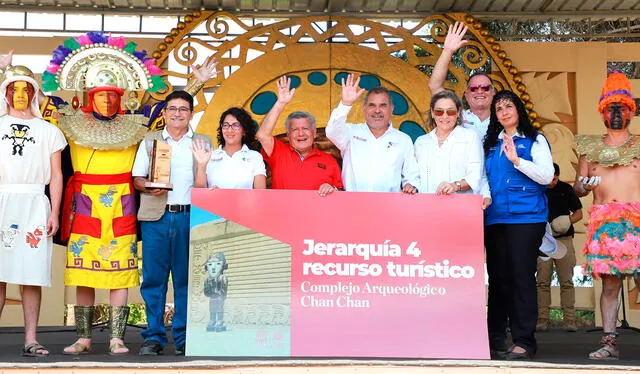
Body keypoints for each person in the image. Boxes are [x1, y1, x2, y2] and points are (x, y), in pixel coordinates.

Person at [0, 37, 216, 355]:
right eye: (100, 96)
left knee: (122, 272)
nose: (106, 102)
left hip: (122, 204)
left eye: (112, 97)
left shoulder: (136, 123)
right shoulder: (69, 121)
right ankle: (84, 338)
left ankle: (116, 338)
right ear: (90, 97)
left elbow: (168, 111)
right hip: (84, 203)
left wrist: (196, 83)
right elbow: (36, 98)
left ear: (120, 98)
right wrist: (11, 72)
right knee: (82, 271)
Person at [132, 91, 212, 356]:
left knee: (186, 280)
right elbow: (137, 179)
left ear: (191, 113)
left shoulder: (202, 142)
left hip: (190, 216)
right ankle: (153, 337)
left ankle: (184, 337)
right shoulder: (150, 140)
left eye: (184, 109)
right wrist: (149, 187)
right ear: (165, 113)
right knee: (153, 279)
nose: (178, 113)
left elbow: (209, 183)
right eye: (173, 108)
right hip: (156, 216)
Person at [0, 67, 66, 357]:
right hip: (2, 201)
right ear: (6, 94)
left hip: (35, 203)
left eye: (26, 89)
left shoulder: (49, 130)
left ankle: (31, 339)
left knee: (32, 274)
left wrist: (55, 213)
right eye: (14, 89)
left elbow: (56, 174)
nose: (20, 95)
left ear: (34, 94)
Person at [574, 71, 640, 360]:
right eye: (611, 108)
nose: (616, 114)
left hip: (637, 223)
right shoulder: (589, 149)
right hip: (604, 225)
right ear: (602, 112)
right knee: (610, 286)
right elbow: (578, 188)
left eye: (621, 108)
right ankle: (609, 343)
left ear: (631, 112)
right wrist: (582, 185)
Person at [483, 90, 554, 360]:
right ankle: (495, 338)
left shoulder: (535, 139)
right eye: (498, 108)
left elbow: (547, 176)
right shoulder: (490, 143)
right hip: (495, 217)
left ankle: (524, 340)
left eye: (508, 106)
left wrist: (517, 161)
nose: (503, 111)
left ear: (518, 109)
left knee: (521, 277)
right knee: (499, 279)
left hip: (526, 218)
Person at [326, 73, 419, 193]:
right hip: (351, 203)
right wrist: (345, 104)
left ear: (391, 109)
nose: (377, 110)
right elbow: (331, 131)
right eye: (372, 105)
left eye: (383, 105)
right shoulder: (350, 132)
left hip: (389, 206)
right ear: (364, 108)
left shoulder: (403, 139)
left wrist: (411, 186)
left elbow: (412, 175)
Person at [256, 76, 343, 196]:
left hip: (317, 214)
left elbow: (340, 193)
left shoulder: (329, 161)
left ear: (314, 132)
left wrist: (332, 188)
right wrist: (280, 103)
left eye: (305, 129)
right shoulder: (279, 153)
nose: (301, 133)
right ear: (288, 134)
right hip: (282, 214)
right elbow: (262, 135)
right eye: (295, 130)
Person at [429, 22, 495, 141]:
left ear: (493, 92)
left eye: (485, 88)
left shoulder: (504, 118)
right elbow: (435, 86)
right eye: (474, 88)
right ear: (466, 94)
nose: (479, 91)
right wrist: (447, 51)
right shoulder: (456, 117)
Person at [536, 163, 583, 333]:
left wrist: (567, 221)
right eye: (550, 179)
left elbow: (579, 213)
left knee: (567, 281)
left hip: (564, 239)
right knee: (542, 282)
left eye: (555, 179)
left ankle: (570, 320)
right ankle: (542, 319)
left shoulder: (565, 188)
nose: (553, 182)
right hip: (543, 241)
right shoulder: (536, 188)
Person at [414, 89, 483, 195]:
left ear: (458, 113)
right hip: (426, 206)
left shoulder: (470, 137)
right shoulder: (421, 142)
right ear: (432, 113)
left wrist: (455, 186)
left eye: (450, 111)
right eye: (439, 111)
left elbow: (475, 176)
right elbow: (414, 177)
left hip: (459, 207)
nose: (444, 116)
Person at [192, 107, 266, 189]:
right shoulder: (209, 156)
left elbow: (260, 194)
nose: (230, 130)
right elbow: (199, 194)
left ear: (244, 130)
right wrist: (201, 166)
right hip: (215, 202)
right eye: (226, 125)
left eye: (235, 125)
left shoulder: (255, 157)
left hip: (245, 202)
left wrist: (225, 195)